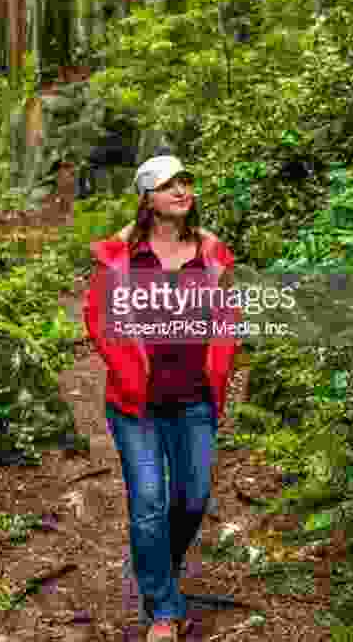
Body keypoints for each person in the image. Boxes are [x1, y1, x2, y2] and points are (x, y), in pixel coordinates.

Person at [83, 155, 242, 642]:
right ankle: (163, 610)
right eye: (167, 184)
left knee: (193, 499)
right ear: (146, 198)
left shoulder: (212, 252)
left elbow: (228, 313)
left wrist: (222, 356)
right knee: (149, 503)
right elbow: (98, 317)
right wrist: (130, 366)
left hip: (194, 399)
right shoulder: (121, 256)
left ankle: (156, 568)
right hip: (137, 406)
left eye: (185, 181)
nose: (180, 190)